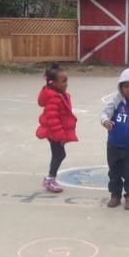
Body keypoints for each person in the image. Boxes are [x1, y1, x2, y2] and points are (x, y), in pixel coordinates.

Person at [100, 68, 129, 210]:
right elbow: (105, 113)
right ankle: (115, 195)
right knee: (113, 171)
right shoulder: (115, 101)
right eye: (126, 86)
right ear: (121, 87)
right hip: (113, 145)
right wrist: (105, 121)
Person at [36, 62, 78, 193]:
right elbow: (52, 118)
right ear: (53, 83)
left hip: (55, 132)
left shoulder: (59, 94)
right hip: (54, 132)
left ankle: (50, 178)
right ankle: (50, 179)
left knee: (59, 154)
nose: (66, 84)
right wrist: (60, 135)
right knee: (59, 155)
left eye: (67, 81)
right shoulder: (54, 98)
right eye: (63, 81)